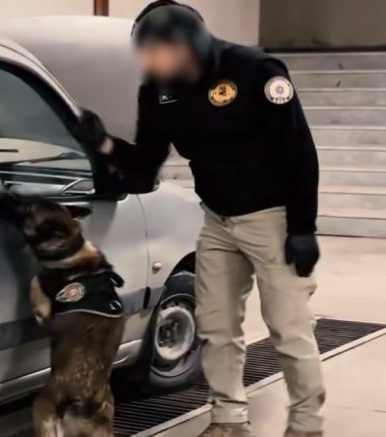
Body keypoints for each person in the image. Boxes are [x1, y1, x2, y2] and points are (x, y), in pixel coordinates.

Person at [69, 1, 325, 436]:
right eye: (144, 54)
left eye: (156, 53)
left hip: (273, 219)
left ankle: (306, 426)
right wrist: (103, 144)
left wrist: (303, 228)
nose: (147, 64)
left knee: (289, 329)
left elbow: (299, 153)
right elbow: (146, 165)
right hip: (218, 221)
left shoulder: (258, 72)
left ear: (188, 46)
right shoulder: (157, 89)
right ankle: (228, 421)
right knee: (216, 325)